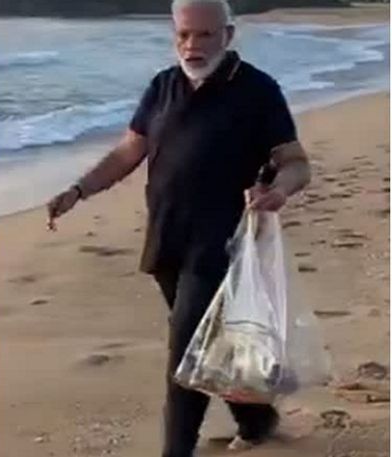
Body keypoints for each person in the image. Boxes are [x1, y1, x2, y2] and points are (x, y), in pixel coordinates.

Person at [46, 1, 312, 456]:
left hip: (224, 243)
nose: (192, 45)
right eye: (183, 35)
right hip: (168, 236)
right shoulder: (162, 86)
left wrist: (279, 192)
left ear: (227, 35)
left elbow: (296, 163)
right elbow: (128, 153)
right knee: (208, 340)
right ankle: (256, 419)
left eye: (204, 35)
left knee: (186, 353)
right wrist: (77, 190)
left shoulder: (257, 90)